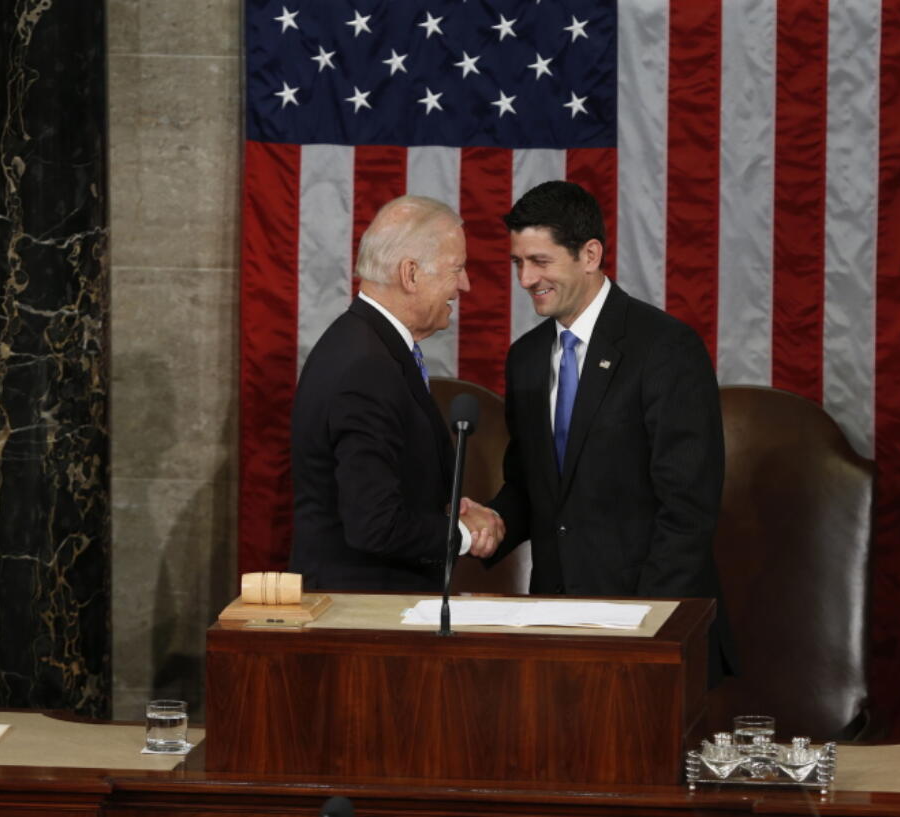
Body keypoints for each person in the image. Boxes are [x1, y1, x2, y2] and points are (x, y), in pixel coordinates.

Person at [470, 180, 735, 683]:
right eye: (517, 263)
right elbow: (533, 486)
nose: (526, 278)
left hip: (649, 627)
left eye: (540, 261)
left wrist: (643, 630)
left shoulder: (665, 349)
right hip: (555, 625)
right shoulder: (525, 358)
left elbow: (688, 508)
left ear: (589, 254)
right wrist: (491, 522)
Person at [290, 195, 503, 592]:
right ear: (410, 275)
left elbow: (387, 484)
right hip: (361, 618)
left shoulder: (367, 344)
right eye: (456, 269)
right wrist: (465, 536)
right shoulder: (366, 367)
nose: (465, 284)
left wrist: (444, 514)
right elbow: (374, 525)